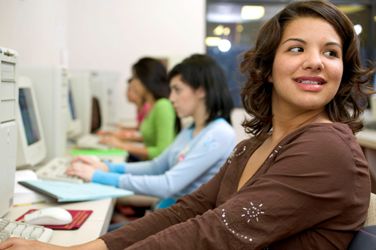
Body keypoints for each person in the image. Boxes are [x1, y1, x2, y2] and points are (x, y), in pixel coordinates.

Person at [1, 1, 375, 249]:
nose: (316, 62)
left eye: (331, 52)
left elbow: (213, 233)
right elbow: (188, 210)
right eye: (297, 48)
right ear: (267, 70)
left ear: (342, 73)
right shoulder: (252, 146)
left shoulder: (326, 148)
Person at [66, 54, 236, 201]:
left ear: (201, 90)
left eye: (177, 90)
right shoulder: (192, 128)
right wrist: (107, 167)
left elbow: (168, 185)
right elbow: (156, 166)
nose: (171, 98)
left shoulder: (219, 133)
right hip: (165, 210)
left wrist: (98, 176)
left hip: (181, 222)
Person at [99, 57, 176, 161]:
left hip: (153, 169)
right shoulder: (152, 106)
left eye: (135, 77)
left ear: (146, 79)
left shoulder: (163, 106)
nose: (133, 83)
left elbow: (162, 152)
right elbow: (150, 138)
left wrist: (122, 145)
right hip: (147, 164)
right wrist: (121, 139)